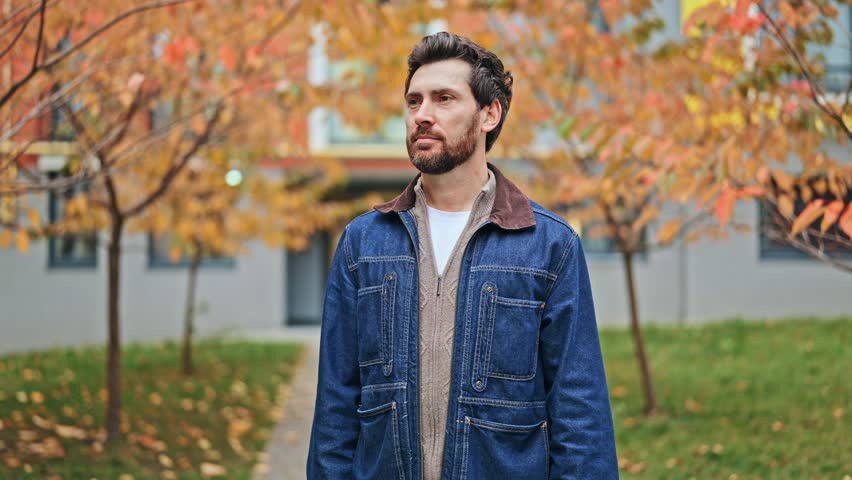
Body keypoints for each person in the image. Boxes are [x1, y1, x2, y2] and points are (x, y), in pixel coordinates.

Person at [307, 32, 618, 479]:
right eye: (414, 102)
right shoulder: (364, 243)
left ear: (489, 113)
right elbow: (335, 409)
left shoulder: (549, 245)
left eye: (444, 99)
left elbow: (580, 415)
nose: (423, 115)